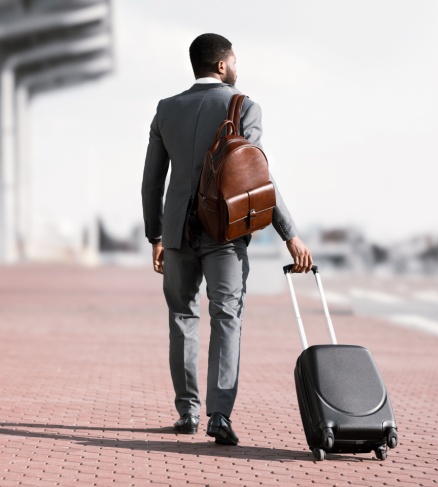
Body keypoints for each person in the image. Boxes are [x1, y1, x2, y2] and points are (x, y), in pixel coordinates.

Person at [141, 33, 312, 446]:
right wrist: (289, 234)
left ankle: (187, 412)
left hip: (179, 231)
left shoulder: (167, 109)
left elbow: (151, 182)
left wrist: (156, 234)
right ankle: (219, 415)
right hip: (225, 232)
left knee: (182, 318)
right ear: (221, 65)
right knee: (226, 318)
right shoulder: (242, 106)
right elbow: (258, 179)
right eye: (234, 59)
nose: (237, 65)